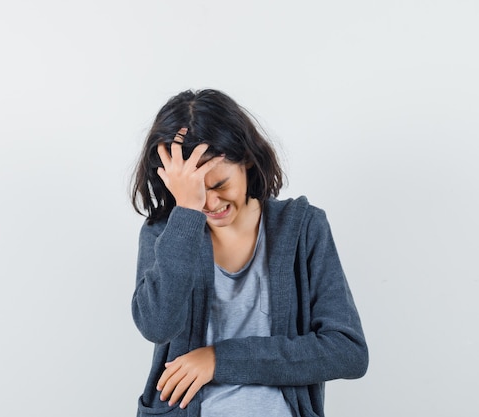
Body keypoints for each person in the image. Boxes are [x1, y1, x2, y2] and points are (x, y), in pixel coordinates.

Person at [130, 89, 368, 417]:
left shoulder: (303, 228)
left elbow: (347, 352)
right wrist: (185, 213)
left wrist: (219, 360)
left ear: (246, 161)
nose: (210, 204)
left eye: (220, 185)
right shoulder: (165, 234)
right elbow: (156, 326)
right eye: (195, 192)